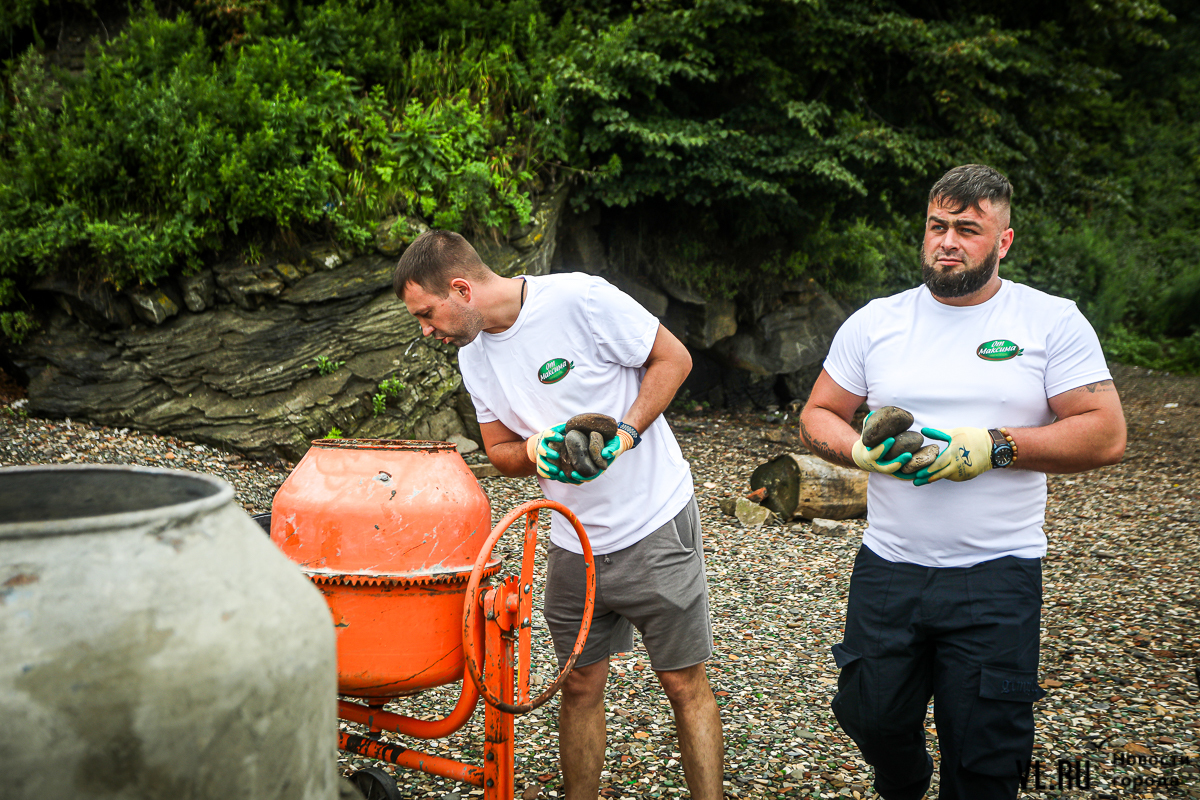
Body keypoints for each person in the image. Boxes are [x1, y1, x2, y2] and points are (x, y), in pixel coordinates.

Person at [798, 164, 1126, 800]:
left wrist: (994, 447)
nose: (947, 241)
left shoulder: (1050, 320)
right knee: (868, 715)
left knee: (984, 756)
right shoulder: (877, 321)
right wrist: (859, 452)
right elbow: (818, 413)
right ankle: (904, 778)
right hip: (889, 567)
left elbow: (1106, 433)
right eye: (936, 226)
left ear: (1004, 241)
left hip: (997, 574)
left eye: (968, 229)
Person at [393, 230, 724, 800]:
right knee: (579, 685)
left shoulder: (580, 299)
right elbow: (499, 451)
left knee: (681, 682)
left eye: (426, 313)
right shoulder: (473, 356)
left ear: (461, 289)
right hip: (572, 543)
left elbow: (674, 358)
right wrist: (534, 450)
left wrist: (625, 434)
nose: (426, 330)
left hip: (653, 524)